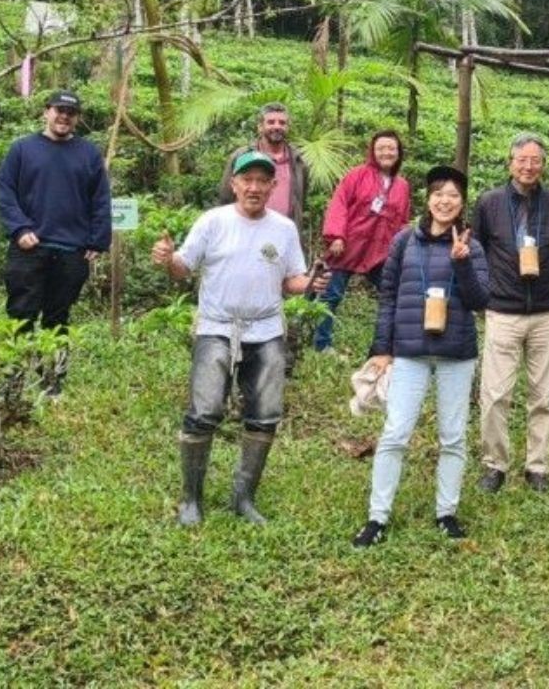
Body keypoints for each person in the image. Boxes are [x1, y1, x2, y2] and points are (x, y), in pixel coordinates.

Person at [152, 150, 329, 527]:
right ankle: (191, 499)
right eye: (246, 179)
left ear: (272, 186)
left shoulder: (283, 229)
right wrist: (168, 259)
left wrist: (311, 281)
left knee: (265, 416)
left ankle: (243, 497)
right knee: (203, 412)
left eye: (261, 180)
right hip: (217, 326)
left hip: (266, 330)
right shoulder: (213, 222)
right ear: (233, 183)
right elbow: (183, 268)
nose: (253, 187)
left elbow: (290, 281)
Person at [352, 165, 490, 547]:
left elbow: (481, 300)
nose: (445, 201)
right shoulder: (403, 242)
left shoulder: (471, 245)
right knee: (395, 433)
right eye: (438, 194)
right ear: (427, 200)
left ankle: (447, 512)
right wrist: (382, 349)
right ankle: (377, 518)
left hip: (456, 353)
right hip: (410, 352)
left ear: (462, 204)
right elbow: (389, 296)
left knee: (452, 437)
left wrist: (462, 262)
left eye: (454, 196)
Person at [472, 134, 549, 493]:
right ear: (510, 163)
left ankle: (538, 467)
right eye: (522, 160)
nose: (529, 167)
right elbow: (477, 253)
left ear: (543, 165)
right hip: (503, 310)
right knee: (495, 395)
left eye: (535, 161)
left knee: (543, 395)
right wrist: (482, 295)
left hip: (546, 311)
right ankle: (494, 464)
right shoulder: (488, 204)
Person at [0, 89, 112, 397]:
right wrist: (19, 229)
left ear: (78, 119)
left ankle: (52, 382)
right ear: (46, 112)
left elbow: (100, 200)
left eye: (70, 113)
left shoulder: (88, 154)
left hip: (72, 252)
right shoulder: (22, 149)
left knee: (58, 317)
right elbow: (5, 193)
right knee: (20, 313)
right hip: (28, 249)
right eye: (58, 110)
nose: (64, 116)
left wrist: (98, 241)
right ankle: (13, 380)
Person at [315, 131, 412, 352]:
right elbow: (339, 204)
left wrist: (402, 248)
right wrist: (336, 235)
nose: (386, 152)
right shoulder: (357, 175)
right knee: (331, 295)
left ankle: (386, 345)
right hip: (348, 245)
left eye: (391, 148)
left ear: (398, 153)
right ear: (373, 151)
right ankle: (321, 345)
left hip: (380, 251)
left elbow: (403, 220)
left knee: (393, 293)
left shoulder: (402, 185)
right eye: (381, 148)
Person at [219, 103, 311, 238]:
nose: (277, 126)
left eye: (282, 123)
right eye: (271, 122)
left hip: (284, 233)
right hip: (247, 230)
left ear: (287, 127)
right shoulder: (242, 156)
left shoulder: (298, 160)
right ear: (260, 127)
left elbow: (301, 198)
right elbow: (226, 196)